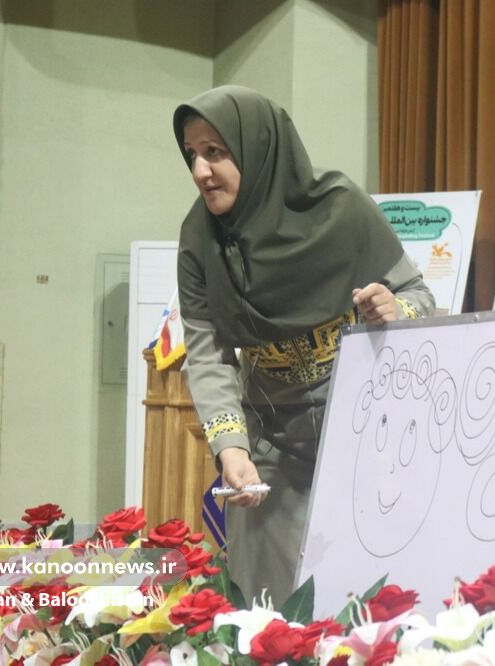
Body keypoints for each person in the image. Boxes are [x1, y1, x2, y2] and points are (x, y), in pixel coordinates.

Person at [173, 85, 435, 604]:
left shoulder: (342, 208)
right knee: (270, 612)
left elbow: (419, 297)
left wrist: (395, 309)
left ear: (257, 149)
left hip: (367, 439)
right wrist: (231, 448)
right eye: (192, 155)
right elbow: (207, 355)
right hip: (271, 443)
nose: (201, 171)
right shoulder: (200, 238)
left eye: (215, 152)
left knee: (368, 606)